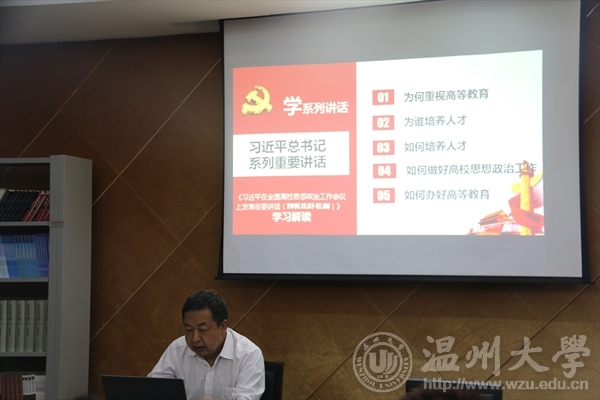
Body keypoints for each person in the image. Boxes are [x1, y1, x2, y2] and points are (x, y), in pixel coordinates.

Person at [148, 290, 265, 400]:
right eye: (189, 330)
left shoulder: (248, 354)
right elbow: (152, 391)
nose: (195, 338)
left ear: (223, 326)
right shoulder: (177, 349)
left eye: (203, 330)